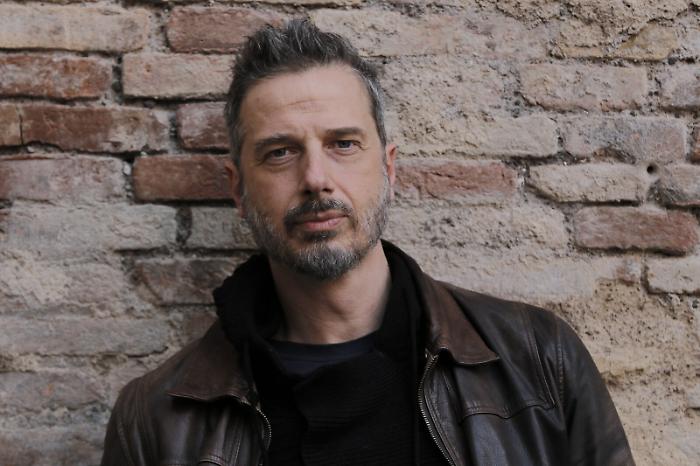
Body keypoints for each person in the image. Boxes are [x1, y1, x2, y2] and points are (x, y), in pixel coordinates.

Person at [101, 19, 635, 466]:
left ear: (389, 168)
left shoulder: (539, 359)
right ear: (238, 190)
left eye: (343, 144)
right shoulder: (152, 421)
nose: (316, 179)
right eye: (280, 152)